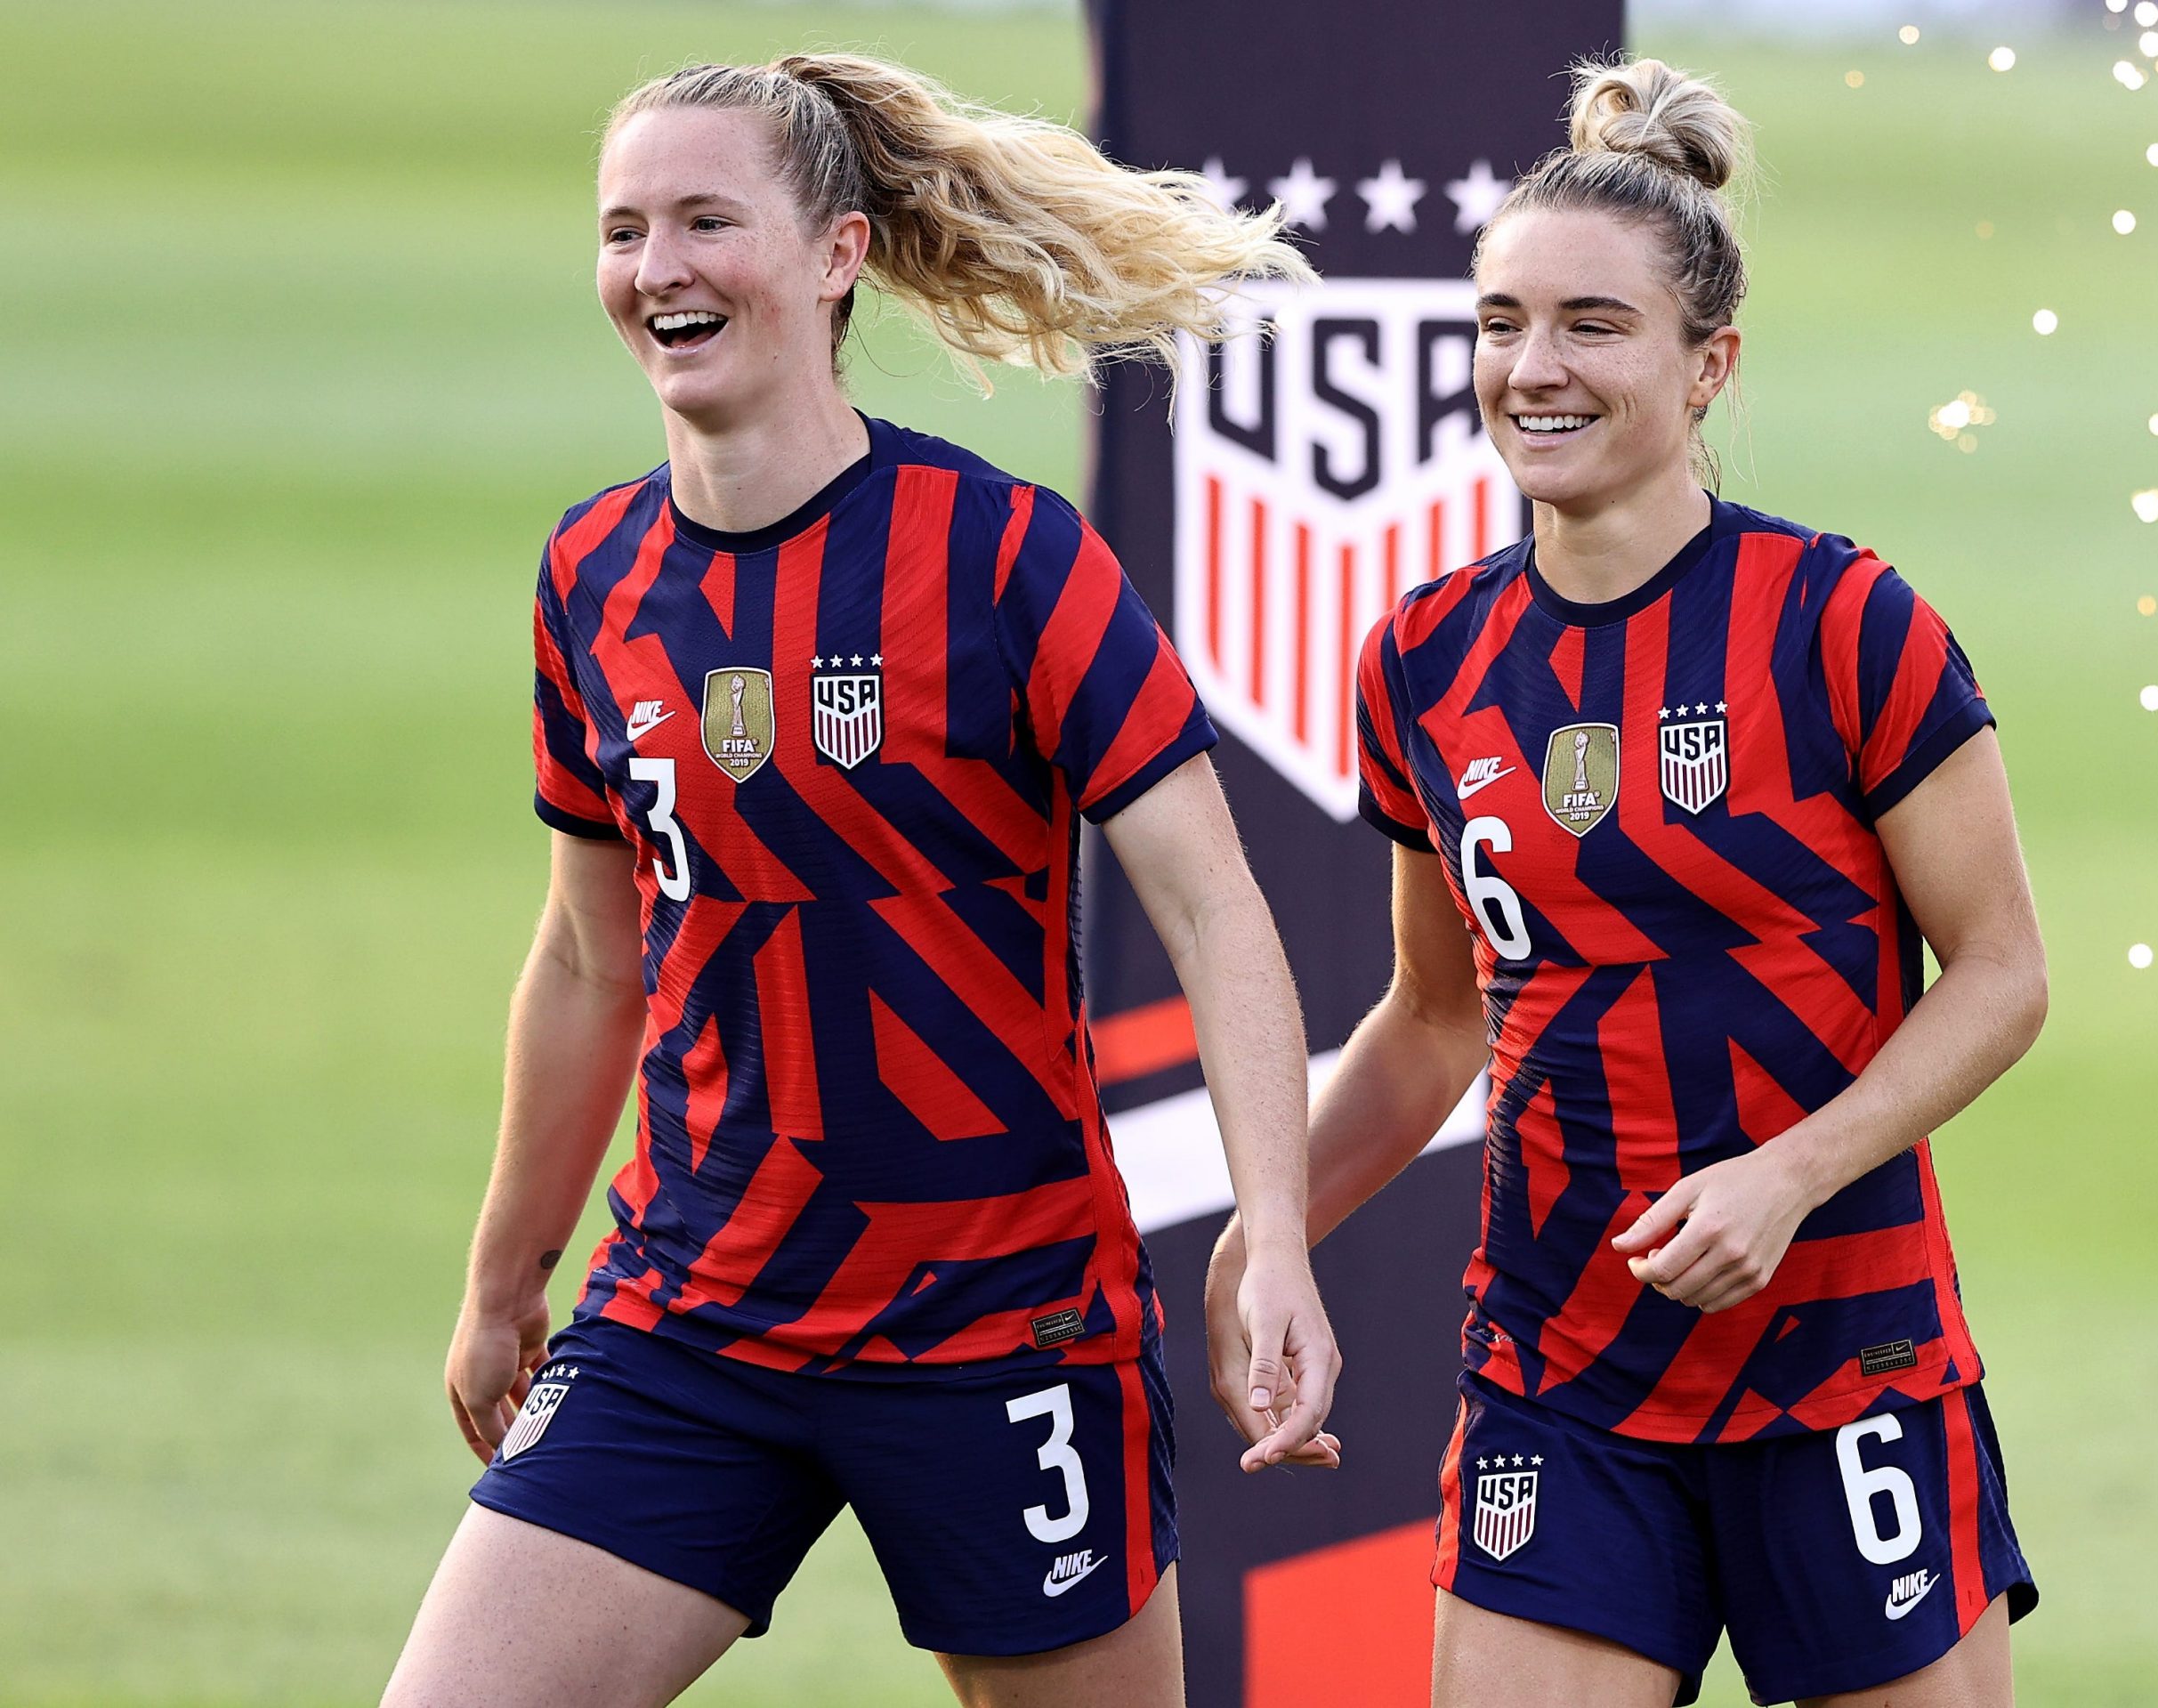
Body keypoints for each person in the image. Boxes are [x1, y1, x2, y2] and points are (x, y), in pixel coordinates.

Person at [382, 54, 1339, 1708]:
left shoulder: (1006, 552)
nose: (657, 268)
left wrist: (1276, 1237)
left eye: (704, 221)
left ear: (835, 253)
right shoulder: (593, 574)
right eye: (624, 231)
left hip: (999, 1328)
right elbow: (588, 962)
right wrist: (507, 1272)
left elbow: (1214, 908)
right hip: (691, 1316)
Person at [1205, 55, 2046, 1708]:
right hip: (1563, 1368)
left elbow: (2004, 974)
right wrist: (1270, 1232)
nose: (1535, 367)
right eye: (1501, 322)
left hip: (1847, 1362)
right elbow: (1434, 1019)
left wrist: (1793, 1173)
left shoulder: (1843, 620)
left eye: (1593, 325)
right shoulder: (1428, 658)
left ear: (1706, 363)